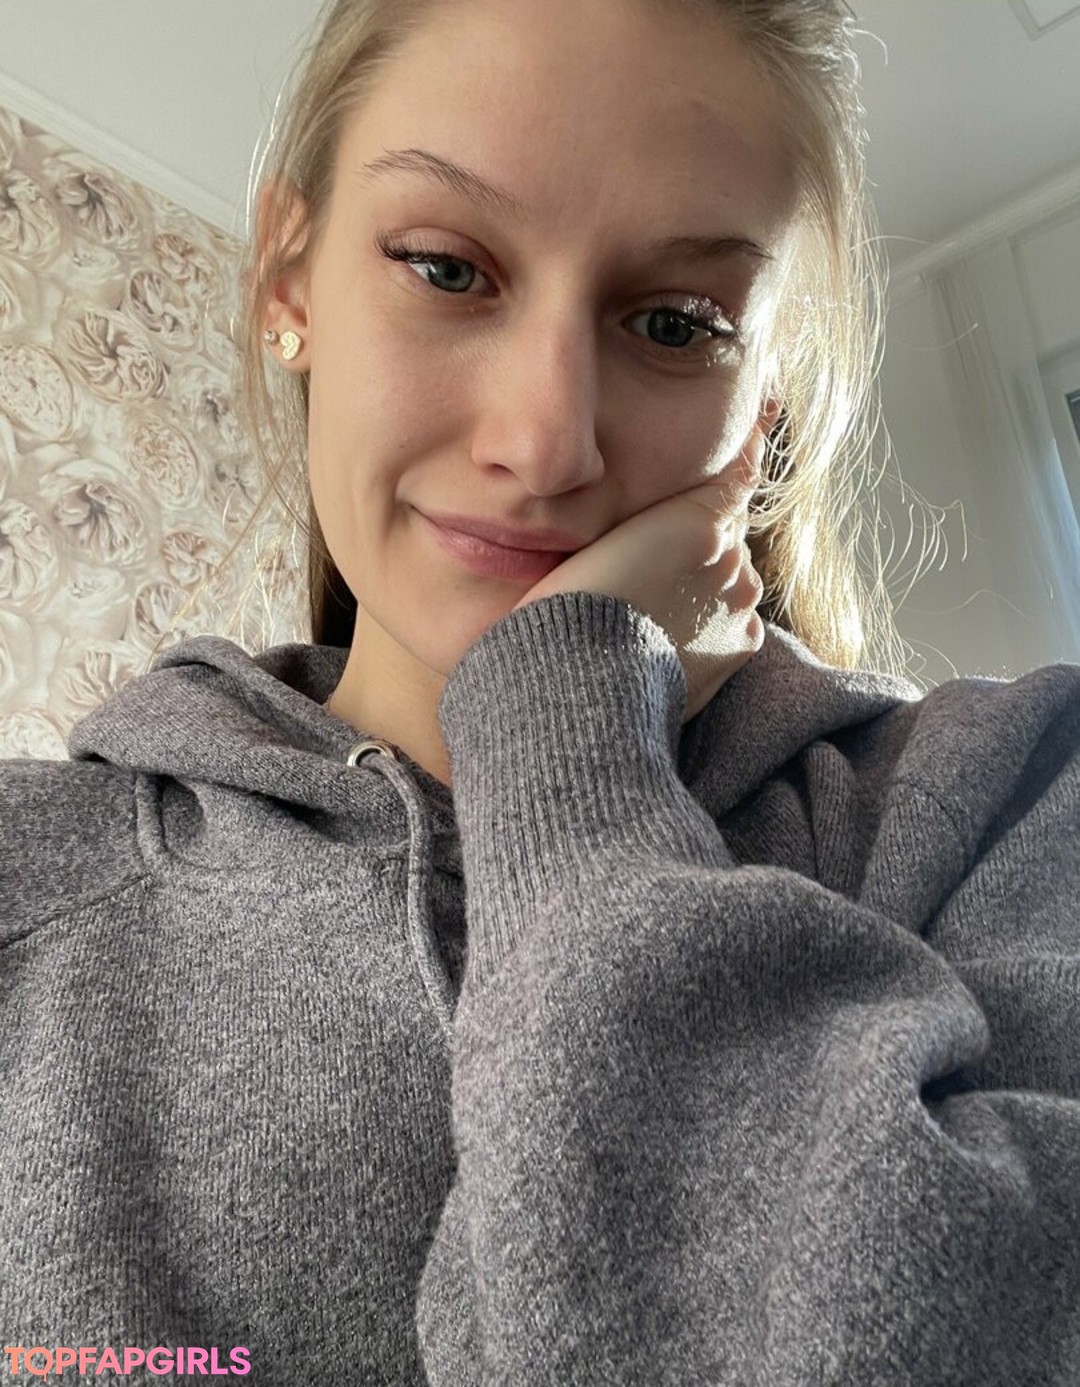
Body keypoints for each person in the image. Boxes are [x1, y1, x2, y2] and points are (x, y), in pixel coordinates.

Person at [1, 0, 1077, 1382]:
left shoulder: (1015, 800)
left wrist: (568, 705)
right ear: (289, 281)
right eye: (448, 270)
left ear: (764, 407)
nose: (546, 440)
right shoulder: (29, 874)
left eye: (677, 322)